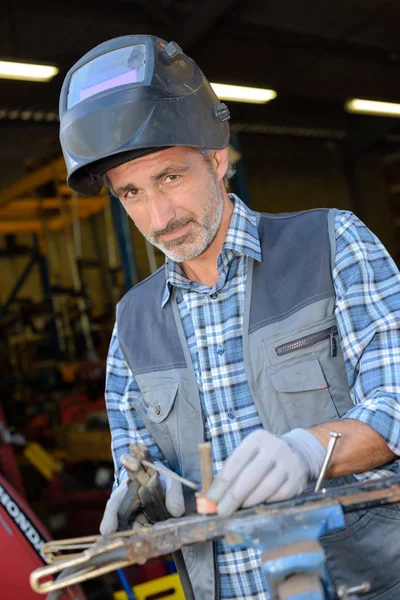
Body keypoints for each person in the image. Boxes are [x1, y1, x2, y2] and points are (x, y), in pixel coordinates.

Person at [59, 34, 400, 599]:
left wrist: (309, 449)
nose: (159, 216)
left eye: (170, 177)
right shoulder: (133, 322)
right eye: (132, 194)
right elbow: (134, 461)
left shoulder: (331, 244)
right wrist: (144, 495)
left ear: (218, 159)